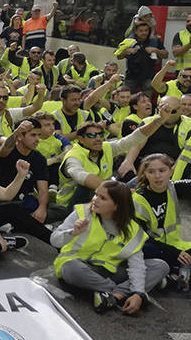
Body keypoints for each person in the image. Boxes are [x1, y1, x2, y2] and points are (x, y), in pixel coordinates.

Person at [52, 181, 169, 314]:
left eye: (102, 198)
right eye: (96, 195)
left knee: (161, 266)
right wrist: (72, 233)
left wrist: (138, 293)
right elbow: (54, 240)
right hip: (80, 266)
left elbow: (136, 266)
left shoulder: (133, 229)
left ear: (116, 205)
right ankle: (120, 293)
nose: (95, 200)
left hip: (111, 272)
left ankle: (112, 296)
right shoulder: (82, 212)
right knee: (70, 268)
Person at [58, 112, 166, 206]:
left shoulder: (106, 147)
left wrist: (158, 121)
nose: (98, 139)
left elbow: (133, 139)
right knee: (86, 187)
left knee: (144, 177)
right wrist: (121, 190)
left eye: (101, 135)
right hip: (73, 205)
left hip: (102, 196)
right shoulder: (73, 156)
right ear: (81, 139)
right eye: (92, 135)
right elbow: (83, 177)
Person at [132, 153, 191, 291]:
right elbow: (140, 239)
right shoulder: (138, 200)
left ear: (171, 171)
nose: (157, 176)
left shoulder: (173, 188)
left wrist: (176, 251)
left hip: (173, 244)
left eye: (162, 171)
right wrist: (174, 253)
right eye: (151, 172)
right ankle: (174, 275)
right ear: (145, 174)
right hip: (150, 247)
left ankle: (173, 276)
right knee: (146, 251)